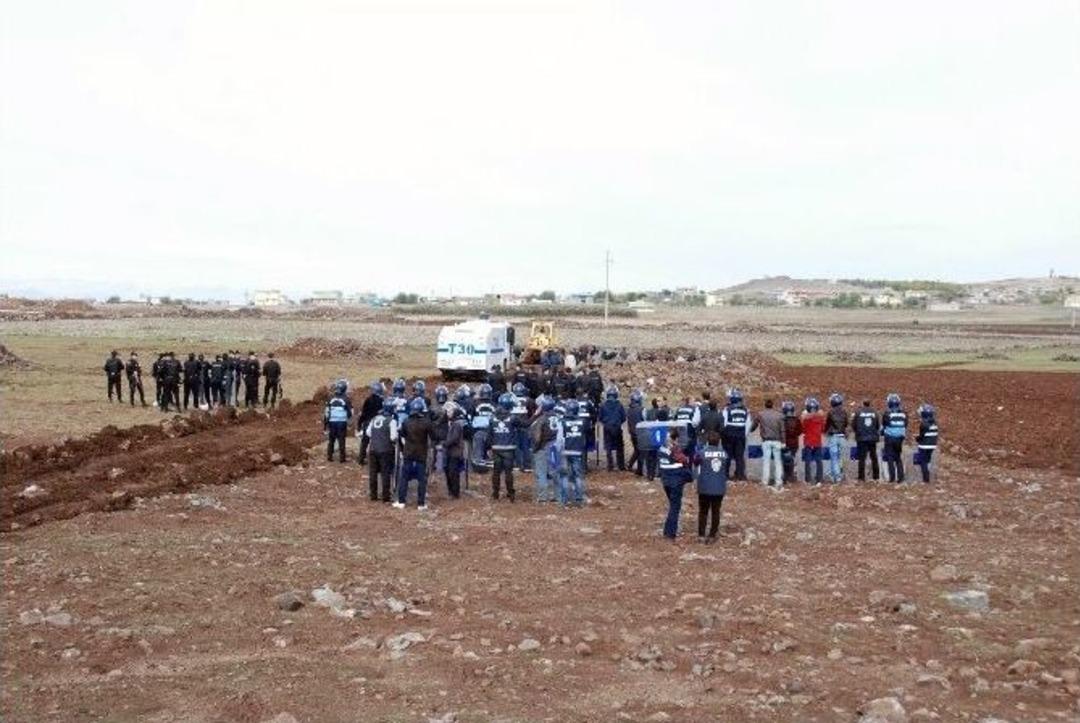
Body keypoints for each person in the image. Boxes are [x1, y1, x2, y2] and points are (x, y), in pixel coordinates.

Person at [394, 397, 435, 510]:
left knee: (404, 478)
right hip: (421, 454)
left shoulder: (406, 421)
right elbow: (434, 436)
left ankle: (401, 501)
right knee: (422, 480)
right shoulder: (426, 422)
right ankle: (421, 504)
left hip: (408, 453)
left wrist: (403, 448)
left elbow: (401, 434)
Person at [658, 427, 693, 540]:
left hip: (665, 480)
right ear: (676, 438)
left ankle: (669, 529)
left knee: (672, 505)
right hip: (675, 481)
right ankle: (670, 532)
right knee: (675, 507)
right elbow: (684, 460)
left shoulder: (661, 448)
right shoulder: (675, 449)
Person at [696, 431, 728, 543]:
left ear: (707, 441)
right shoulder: (724, 454)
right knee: (716, 512)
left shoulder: (701, 453)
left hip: (704, 487)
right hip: (719, 488)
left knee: (703, 512)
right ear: (719, 442)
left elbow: (695, 463)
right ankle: (712, 535)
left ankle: (701, 535)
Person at [365, 397, 398, 502]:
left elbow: (368, 433)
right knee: (385, 473)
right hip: (385, 450)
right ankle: (385, 496)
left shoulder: (375, 419)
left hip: (373, 449)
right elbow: (393, 437)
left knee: (373, 473)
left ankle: (373, 495)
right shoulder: (391, 421)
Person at [530, 395, 562, 502]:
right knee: (555, 472)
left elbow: (537, 437)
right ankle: (557, 495)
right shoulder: (559, 418)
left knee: (541, 473)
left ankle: (543, 497)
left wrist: (535, 449)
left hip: (543, 448)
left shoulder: (541, 419)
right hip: (555, 448)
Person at [489, 392, 519, 501]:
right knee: (508, 472)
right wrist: (536, 414)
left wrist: (489, 447)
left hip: (496, 448)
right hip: (509, 449)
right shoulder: (513, 418)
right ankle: (511, 494)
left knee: (496, 472)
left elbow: (489, 434)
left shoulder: (492, 418)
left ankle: (495, 493)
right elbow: (526, 424)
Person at [558, 398, 587, 507]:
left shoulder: (562, 421)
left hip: (565, 451)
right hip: (577, 451)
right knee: (578, 476)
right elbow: (584, 434)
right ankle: (579, 499)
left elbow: (559, 438)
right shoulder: (582, 421)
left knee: (564, 476)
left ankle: (564, 500)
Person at [751, 399, 784, 488]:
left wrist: (750, 430)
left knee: (766, 462)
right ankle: (778, 482)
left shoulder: (761, 414)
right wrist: (783, 442)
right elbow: (782, 430)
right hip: (777, 441)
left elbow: (754, 425)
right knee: (778, 462)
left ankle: (765, 481)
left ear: (765, 405)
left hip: (766, 441)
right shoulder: (779, 415)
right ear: (772, 405)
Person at [721, 388, 749, 481]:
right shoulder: (745, 410)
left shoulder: (727, 409)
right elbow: (748, 424)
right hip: (740, 435)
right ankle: (740, 475)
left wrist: (723, 433)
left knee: (727, 455)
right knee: (739, 456)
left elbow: (724, 423)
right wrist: (744, 434)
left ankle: (725, 474)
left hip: (729, 434)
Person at [851, 399, 881, 482]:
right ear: (869, 404)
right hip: (872, 438)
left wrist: (858, 432)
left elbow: (854, 425)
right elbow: (878, 426)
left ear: (863, 404)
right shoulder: (875, 412)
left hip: (861, 438)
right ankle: (876, 476)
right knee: (874, 457)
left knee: (862, 458)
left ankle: (861, 477)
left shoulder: (858, 412)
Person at [599, 386, 627, 472]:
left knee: (608, 447)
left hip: (607, 427)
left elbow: (600, 417)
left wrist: (606, 423)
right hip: (617, 427)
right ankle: (621, 465)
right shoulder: (619, 405)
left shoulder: (603, 405)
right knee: (619, 447)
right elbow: (623, 417)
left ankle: (610, 466)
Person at [323, 379, 352, 463]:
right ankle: (342, 458)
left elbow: (327, 412)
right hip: (342, 422)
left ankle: (329, 456)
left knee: (331, 440)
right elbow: (350, 412)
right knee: (341, 440)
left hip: (332, 422)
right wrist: (348, 419)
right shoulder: (346, 399)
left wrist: (325, 424)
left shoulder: (331, 398)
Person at [881, 393, 908, 483]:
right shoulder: (904, 414)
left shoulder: (887, 414)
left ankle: (892, 478)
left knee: (890, 457)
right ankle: (901, 477)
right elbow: (905, 425)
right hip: (900, 438)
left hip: (889, 437)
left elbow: (884, 425)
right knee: (898, 457)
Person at [510, 382, 535, 471]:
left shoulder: (510, 399)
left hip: (514, 425)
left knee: (516, 445)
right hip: (525, 425)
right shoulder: (529, 400)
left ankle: (517, 464)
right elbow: (532, 412)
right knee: (525, 446)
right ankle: (527, 465)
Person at [824, 392, 848, 483]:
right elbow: (846, 423)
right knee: (841, 457)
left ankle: (837, 477)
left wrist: (825, 431)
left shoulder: (830, 412)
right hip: (842, 436)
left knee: (834, 458)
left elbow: (827, 424)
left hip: (833, 436)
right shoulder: (844, 411)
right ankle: (840, 474)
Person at [800, 397, 825, 484]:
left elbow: (802, 430)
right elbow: (822, 429)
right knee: (819, 461)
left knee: (808, 461)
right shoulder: (820, 418)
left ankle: (808, 479)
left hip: (808, 442)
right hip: (817, 441)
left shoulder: (805, 419)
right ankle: (819, 479)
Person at [444, 402, 466, 498]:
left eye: (450, 411)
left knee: (453, 473)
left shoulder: (456, 424)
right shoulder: (452, 423)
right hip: (450, 452)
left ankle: (455, 493)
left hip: (455, 452)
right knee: (448, 472)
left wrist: (445, 443)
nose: (448, 413)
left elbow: (455, 437)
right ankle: (451, 491)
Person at [915, 403, 939, 483]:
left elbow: (921, 436)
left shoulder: (923, 424)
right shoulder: (935, 423)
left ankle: (926, 479)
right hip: (932, 445)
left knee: (923, 462)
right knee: (928, 460)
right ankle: (928, 476)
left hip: (924, 445)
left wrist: (917, 438)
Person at [626, 389, 645, 476]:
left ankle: (630, 465)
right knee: (640, 451)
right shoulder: (641, 409)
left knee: (637, 450)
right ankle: (639, 470)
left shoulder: (629, 409)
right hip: (640, 433)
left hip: (632, 433)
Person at [781, 401, 801, 483]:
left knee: (784, 460)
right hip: (794, 443)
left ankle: (785, 477)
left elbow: (781, 431)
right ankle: (793, 476)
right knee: (793, 459)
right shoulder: (797, 420)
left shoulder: (783, 420)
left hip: (785, 442)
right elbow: (800, 431)